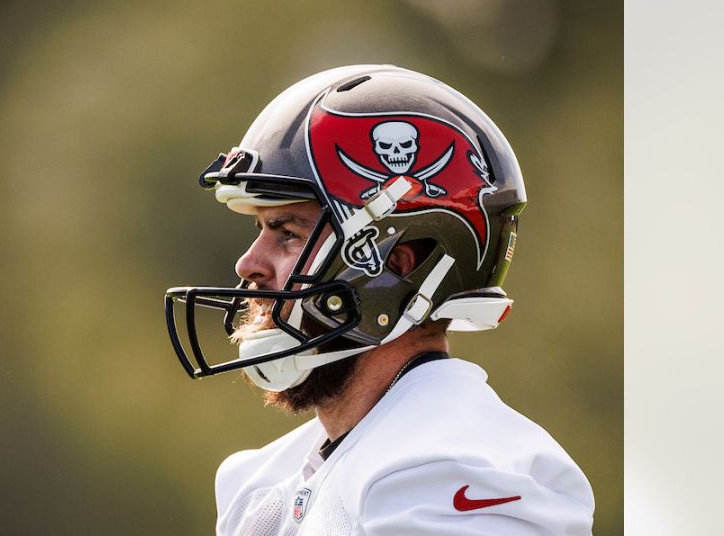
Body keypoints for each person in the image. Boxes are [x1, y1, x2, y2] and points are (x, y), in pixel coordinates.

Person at [163, 65, 594, 535]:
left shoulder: (451, 471)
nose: (248, 264)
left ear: (399, 264)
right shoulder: (264, 483)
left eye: (286, 233)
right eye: (260, 229)